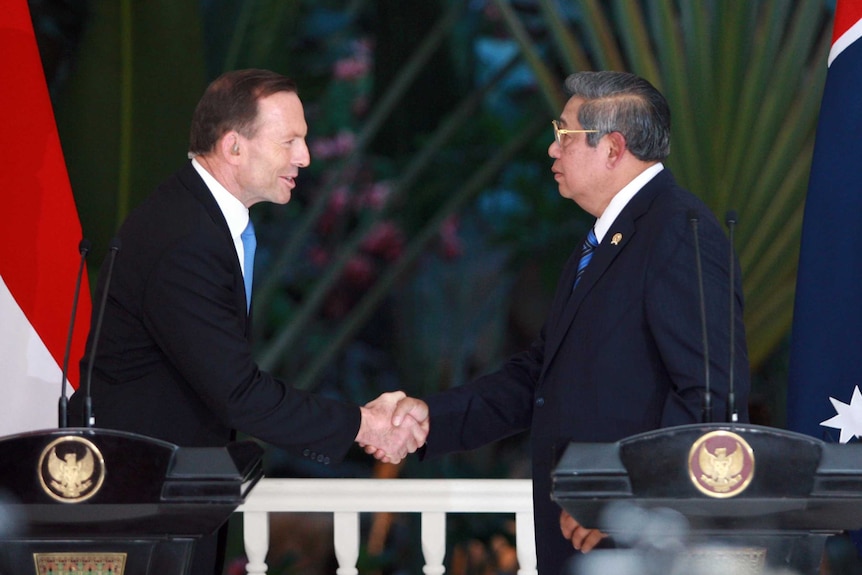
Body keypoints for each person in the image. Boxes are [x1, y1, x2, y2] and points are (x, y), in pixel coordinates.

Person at [367, 70, 750, 575]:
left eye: (564, 136)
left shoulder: (680, 232)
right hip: (583, 530)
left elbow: (710, 394)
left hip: (634, 539)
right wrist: (431, 419)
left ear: (613, 149)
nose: (552, 150)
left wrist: (632, 500)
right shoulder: (604, 238)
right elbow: (542, 376)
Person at [68, 68, 427, 575]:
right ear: (233, 146)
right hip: (142, 515)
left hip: (169, 504)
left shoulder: (199, 220)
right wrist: (362, 424)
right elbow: (237, 393)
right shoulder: (185, 238)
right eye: (291, 141)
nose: (305, 156)